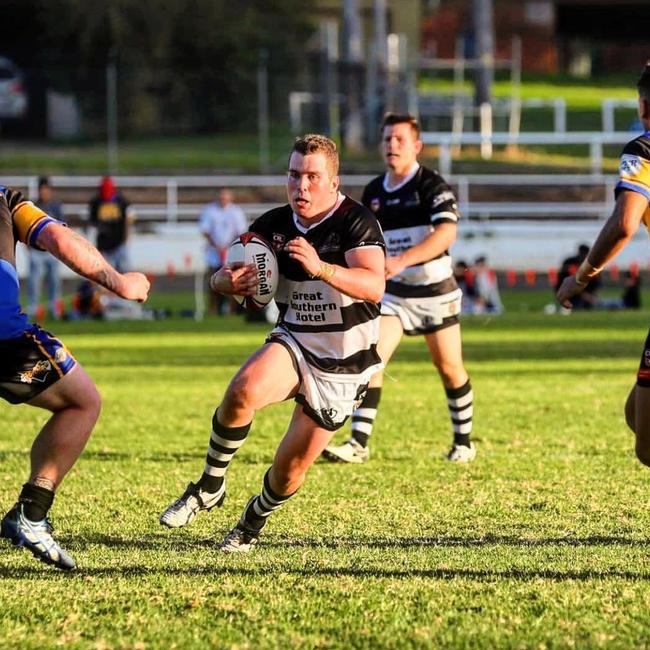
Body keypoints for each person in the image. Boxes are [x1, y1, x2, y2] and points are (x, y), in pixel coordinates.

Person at [159, 134, 385, 552]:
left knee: (287, 471)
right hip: (295, 341)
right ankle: (210, 485)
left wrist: (323, 269)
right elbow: (223, 276)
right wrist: (227, 282)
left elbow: (374, 286)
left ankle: (251, 522)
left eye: (313, 177)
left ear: (334, 182)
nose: (302, 186)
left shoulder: (357, 222)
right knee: (242, 390)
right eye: (294, 175)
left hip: (344, 363)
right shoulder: (271, 226)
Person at [0, 185, 150, 570]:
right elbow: (57, 238)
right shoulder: (5, 198)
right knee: (81, 402)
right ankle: (31, 513)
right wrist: (120, 283)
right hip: (4, 341)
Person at [322, 113, 475, 465]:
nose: (392, 145)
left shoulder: (432, 185)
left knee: (450, 367)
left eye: (400, 139)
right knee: (372, 361)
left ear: (416, 146)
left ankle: (463, 441)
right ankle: (358, 443)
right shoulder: (374, 191)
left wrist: (403, 259)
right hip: (394, 295)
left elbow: (447, 234)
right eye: (387, 138)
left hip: (436, 291)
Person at [557, 62, 650, 469]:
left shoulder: (643, 149)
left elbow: (624, 223)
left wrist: (582, 277)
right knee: (636, 413)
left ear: (643, 109)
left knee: (648, 444)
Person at [198, 188, 248, 315]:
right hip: (214, 253)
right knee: (212, 282)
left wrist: (227, 246)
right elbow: (205, 231)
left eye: (226, 197)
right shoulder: (209, 210)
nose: (223, 199)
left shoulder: (236, 211)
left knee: (233, 282)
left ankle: (232, 310)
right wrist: (217, 246)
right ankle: (213, 309)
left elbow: (241, 232)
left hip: (231, 252)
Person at [27, 177, 64, 319]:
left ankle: (54, 310)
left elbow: (63, 229)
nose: (44, 192)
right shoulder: (33, 207)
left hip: (52, 252)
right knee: (34, 282)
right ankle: (33, 309)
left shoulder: (56, 207)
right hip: (36, 250)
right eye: (42, 189)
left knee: (54, 282)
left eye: (46, 189)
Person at [88, 176, 135, 272]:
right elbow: (92, 222)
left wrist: (126, 238)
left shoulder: (121, 201)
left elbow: (128, 219)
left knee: (124, 272)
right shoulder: (96, 202)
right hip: (103, 245)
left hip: (119, 243)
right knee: (107, 275)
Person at [556, 244, 601, 310]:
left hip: (587, 292)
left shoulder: (591, 263)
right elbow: (561, 279)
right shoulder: (570, 262)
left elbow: (597, 282)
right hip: (571, 292)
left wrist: (593, 295)